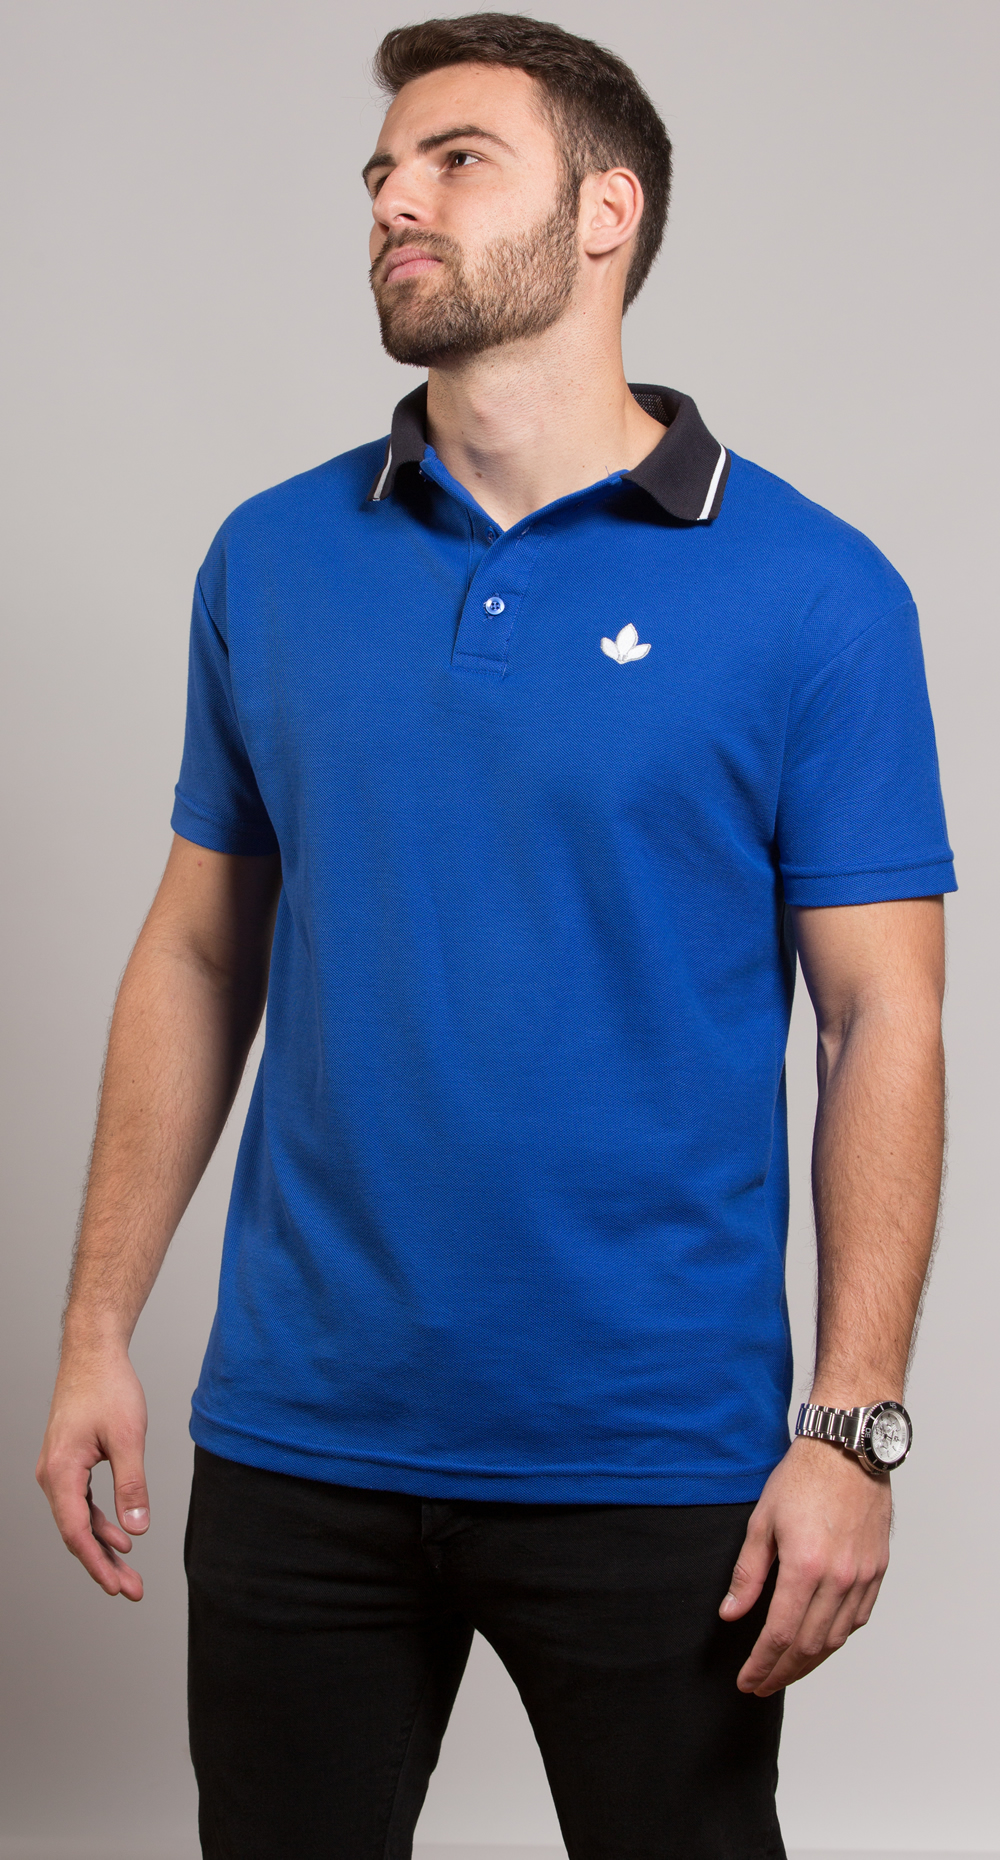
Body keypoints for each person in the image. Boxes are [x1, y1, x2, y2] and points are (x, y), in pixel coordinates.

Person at [37, 14, 955, 1858]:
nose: (397, 199)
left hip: (654, 1456)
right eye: (383, 171)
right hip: (300, 1436)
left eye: (458, 160)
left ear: (608, 213)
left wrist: (850, 1429)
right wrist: (94, 1333)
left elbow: (884, 1024)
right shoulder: (270, 559)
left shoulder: (817, 593)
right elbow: (198, 955)